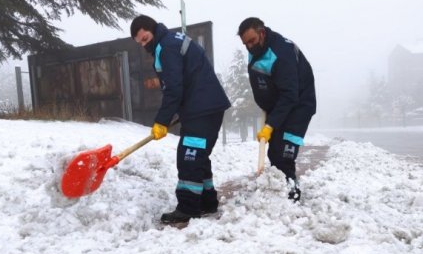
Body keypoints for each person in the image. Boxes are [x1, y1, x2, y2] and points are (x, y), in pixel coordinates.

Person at [130, 15, 231, 224]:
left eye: (145, 38)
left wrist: (162, 121)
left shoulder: (167, 47)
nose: (144, 45)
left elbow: (174, 88)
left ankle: (188, 207)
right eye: (140, 43)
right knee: (198, 155)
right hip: (204, 107)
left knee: (189, 156)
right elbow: (183, 82)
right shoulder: (170, 41)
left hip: (203, 108)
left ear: (153, 29)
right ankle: (207, 201)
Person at [237, 17, 316, 201]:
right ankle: (279, 193)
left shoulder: (281, 54)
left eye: (252, 41)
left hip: (298, 107)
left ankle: (292, 197)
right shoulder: (259, 49)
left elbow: (290, 95)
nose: (249, 47)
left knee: (283, 155)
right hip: (279, 107)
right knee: (274, 152)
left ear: (262, 32)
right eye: (245, 43)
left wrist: (270, 125)